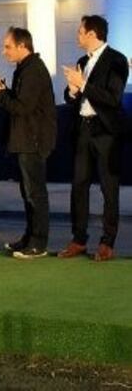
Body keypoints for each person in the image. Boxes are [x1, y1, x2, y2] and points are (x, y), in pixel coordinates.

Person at [59, 15, 128, 261]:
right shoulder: (82, 61)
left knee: (109, 188)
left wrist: (84, 85)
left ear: (92, 33)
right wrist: (72, 91)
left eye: (80, 31)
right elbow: (74, 99)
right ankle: (78, 239)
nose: (77, 35)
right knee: (78, 185)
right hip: (83, 129)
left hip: (106, 132)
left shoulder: (117, 60)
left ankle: (107, 242)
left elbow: (112, 98)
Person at [0, 27, 56, 259]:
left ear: (22, 46)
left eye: (8, 46)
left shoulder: (33, 70)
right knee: (28, 193)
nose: (4, 51)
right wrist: (4, 89)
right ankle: (30, 237)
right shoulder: (25, 68)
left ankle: (38, 243)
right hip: (25, 139)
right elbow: (21, 100)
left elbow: (23, 107)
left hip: (33, 140)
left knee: (35, 193)